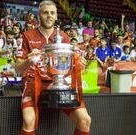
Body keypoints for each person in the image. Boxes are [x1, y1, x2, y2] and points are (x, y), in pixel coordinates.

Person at [15, 1, 91, 135]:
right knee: (29, 120)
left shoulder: (64, 38)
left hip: (58, 83)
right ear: (39, 15)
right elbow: (17, 68)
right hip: (33, 82)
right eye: (45, 12)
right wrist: (28, 60)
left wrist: (78, 63)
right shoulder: (27, 35)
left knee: (85, 120)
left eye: (52, 13)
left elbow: (70, 66)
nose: (49, 16)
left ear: (56, 16)